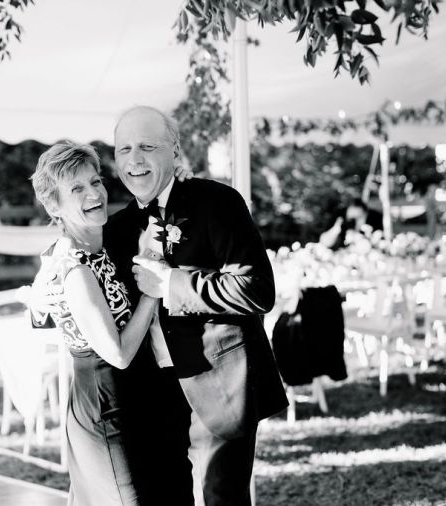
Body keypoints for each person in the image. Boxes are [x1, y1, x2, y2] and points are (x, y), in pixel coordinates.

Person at [105, 106, 287, 505]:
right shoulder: (115, 229)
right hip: (153, 395)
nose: (134, 159)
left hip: (220, 384)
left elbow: (257, 290)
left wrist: (170, 284)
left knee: (221, 499)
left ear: (174, 150)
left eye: (147, 146)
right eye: (124, 149)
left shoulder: (217, 202)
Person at [29, 141, 162, 505]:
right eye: (77, 188)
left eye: (96, 181)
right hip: (104, 408)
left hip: (132, 401)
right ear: (53, 206)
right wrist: (153, 292)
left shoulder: (99, 245)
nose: (94, 194)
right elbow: (117, 354)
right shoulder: (74, 267)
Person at [319, 198, 383, 250]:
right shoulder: (340, 218)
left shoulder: (375, 219)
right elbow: (324, 242)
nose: (354, 222)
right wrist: (334, 232)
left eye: (358, 218)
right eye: (351, 218)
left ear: (365, 215)